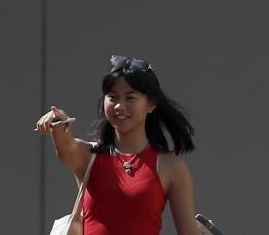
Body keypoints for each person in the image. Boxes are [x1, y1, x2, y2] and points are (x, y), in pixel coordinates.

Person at [35, 55, 196, 235]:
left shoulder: (171, 167)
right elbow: (65, 147)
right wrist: (58, 121)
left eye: (130, 98)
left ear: (150, 104)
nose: (119, 105)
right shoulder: (88, 155)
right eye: (112, 97)